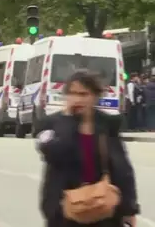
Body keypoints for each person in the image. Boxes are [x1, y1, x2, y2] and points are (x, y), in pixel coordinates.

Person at [35, 70, 139, 227]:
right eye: (72, 93)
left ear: (94, 96)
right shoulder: (51, 124)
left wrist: (129, 208)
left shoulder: (107, 125)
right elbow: (51, 153)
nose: (77, 99)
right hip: (65, 211)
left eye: (84, 94)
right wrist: (68, 120)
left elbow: (122, 168)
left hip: (102, 208)